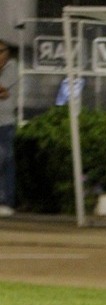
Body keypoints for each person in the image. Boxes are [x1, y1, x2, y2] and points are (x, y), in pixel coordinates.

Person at [0, 39, 18, 217]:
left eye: (1, 52)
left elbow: (4, 89)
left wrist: (4, 92)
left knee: (5, 160)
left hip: (5, 123)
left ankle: (6, 201)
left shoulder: (12, 67)